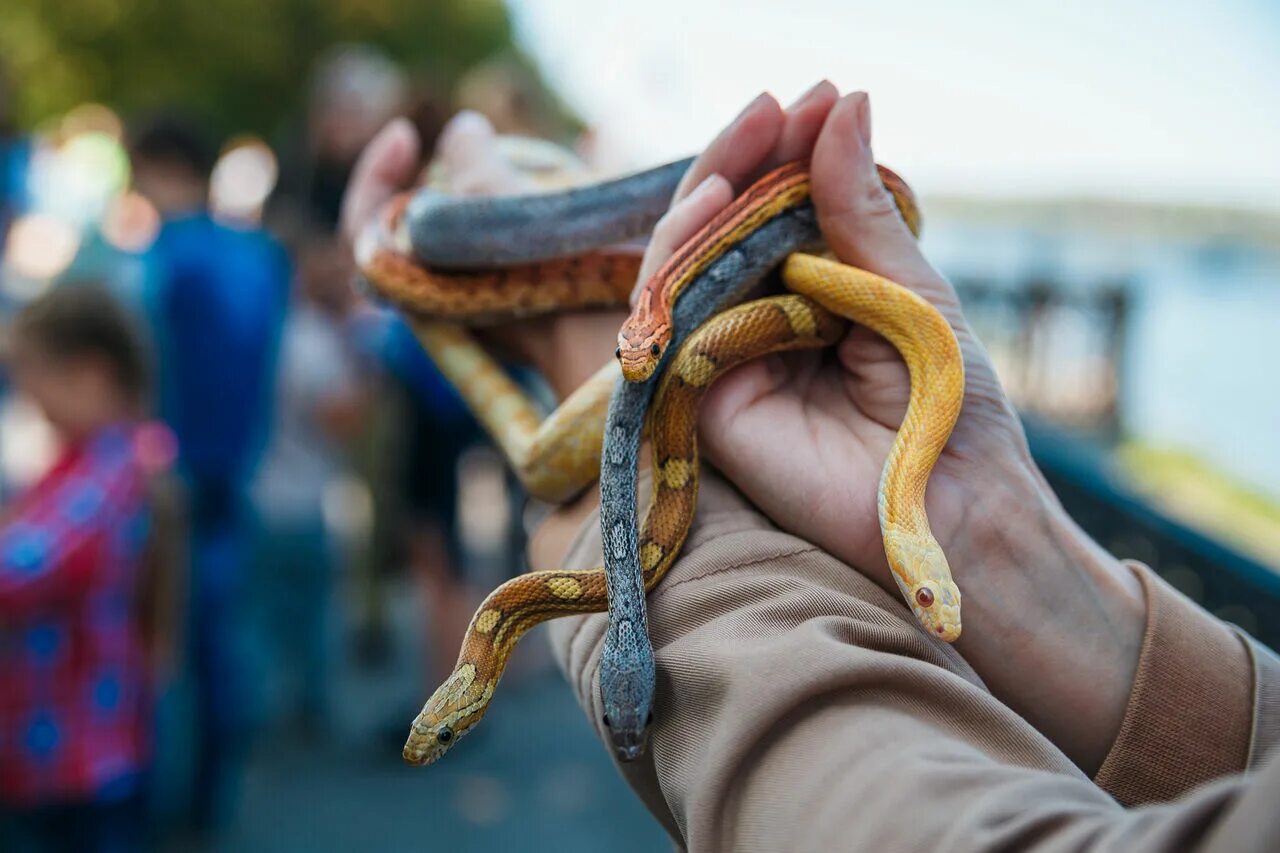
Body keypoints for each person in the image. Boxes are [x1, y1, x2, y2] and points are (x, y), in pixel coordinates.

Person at [344, 85, 1280, 850]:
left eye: (450, 722)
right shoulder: (929, 413)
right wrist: (994, 531)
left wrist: (594, 388)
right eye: (451, 727)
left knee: (434, 239)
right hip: (700, 373)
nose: (446, 732)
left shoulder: (523, 595)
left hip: (666, 389)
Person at [130, 115, 290, 832]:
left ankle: (159, 796)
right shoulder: (259, 255)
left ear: (161, 166)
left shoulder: (166, 256)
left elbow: (142, 370)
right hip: (239, 462)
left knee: (165, 635)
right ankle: (212, 790)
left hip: (174, 469)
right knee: (222, 631)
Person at [0, 286, 161, 852]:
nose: (28, 401)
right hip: (60, 748)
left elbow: (18, 572)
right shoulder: (90, 459)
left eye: (33, 380)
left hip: (74, 759)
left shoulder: (110, 470)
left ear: (90, 376)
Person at [251, 232, 363, 725]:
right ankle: (307, 708)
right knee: (310, 612)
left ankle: (256, 713)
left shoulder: (250, 329)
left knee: (258, 618)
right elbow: (339, 419)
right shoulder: (310, 339)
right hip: (301, 499)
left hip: (253, 495)